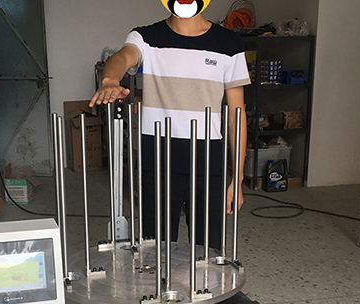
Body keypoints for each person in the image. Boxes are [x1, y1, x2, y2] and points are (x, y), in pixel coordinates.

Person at [89, 0, 249, 249]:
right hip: (158, 158)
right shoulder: (146, 38)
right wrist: (110, 80)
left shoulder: (229, 43)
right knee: (156, 250)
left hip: (208, 159)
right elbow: (123, 56)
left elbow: (236, 116)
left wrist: (237, 179)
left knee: (208, 250)